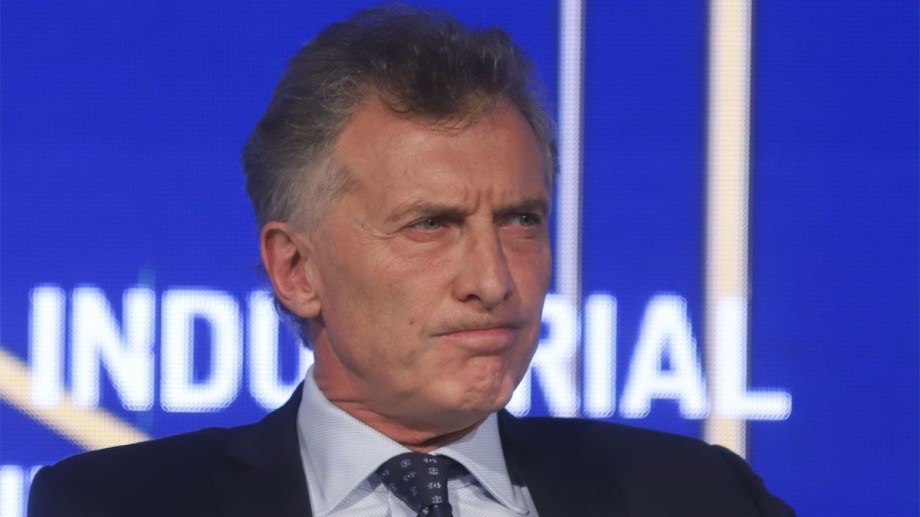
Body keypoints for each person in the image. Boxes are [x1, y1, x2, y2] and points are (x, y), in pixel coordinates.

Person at [28, 5, 794, 516]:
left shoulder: (698, 495)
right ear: (297, 270)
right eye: (431, 224)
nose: (492, 280)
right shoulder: (119, 505)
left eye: (521, 220)